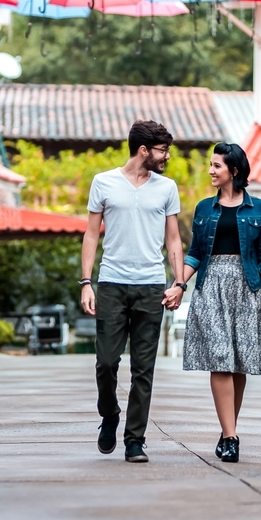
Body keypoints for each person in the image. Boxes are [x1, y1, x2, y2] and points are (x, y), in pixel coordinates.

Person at [81, 120, 186, 463]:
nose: (165, 156)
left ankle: (135, 440)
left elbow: (173, 238)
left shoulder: (166, 188)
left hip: (151, 287)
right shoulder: (104, 182)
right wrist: (86, 282)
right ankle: (109, 414)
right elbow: (92, 235)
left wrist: (178, 282)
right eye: (161, 150)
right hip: (111, 283)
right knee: (106, 363)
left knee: (144, 368)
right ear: (144, 151)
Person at [178, 143, 261, 463]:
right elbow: (194, 252)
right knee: (220, 356)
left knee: (239, 363)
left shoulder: (258, 209)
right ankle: (232, 438)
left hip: (247, 285)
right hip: (210, 285)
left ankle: (226, 431)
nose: (211, 170)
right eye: (211, 164)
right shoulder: (204, 208)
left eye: (217, 166)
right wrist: (180, 284)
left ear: (233, 171)